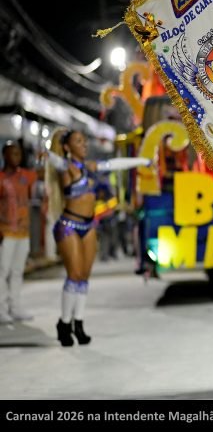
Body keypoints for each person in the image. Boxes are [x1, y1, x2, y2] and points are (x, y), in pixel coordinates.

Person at [47, 128, 151, 346]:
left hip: (89, 226)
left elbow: (113, 164)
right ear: (67, 147)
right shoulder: (66, 168)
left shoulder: (90, 167)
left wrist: (141, 160)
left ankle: (79, 323)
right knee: (74, 275)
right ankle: (64, 324)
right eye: (78, 141)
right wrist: (46, 154)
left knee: (83, 278)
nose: (84, 145)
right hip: (69, 226)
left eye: (85, 141)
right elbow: (54, 160)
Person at [0, 141, 37, 324]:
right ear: (4, 156)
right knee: (2, 271)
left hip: (23, 233)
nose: (17, 157)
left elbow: (42, 173)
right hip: (5, 232)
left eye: (19, 154)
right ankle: (1, 308)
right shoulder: (0, 179)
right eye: (13, 154)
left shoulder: (25, 176)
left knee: (17, 271)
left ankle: (15, 307)